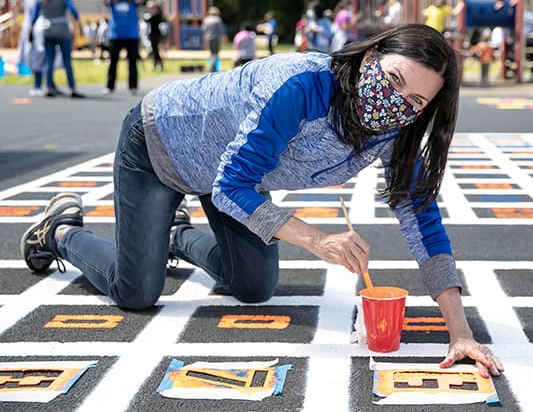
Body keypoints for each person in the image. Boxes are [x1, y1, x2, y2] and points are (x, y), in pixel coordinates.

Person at [20, 24, 504, 379]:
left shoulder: (395, 132)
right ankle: (60, 232)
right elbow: (234, 188)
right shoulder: (300, 84)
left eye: (416, 102)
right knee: (136, 293)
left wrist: (459, 331)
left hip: (230, 174)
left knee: (253, 286)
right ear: (371, 55)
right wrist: (319, 242)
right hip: (159, 146)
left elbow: (423, 221)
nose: (397, 103)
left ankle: (176, 234)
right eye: (394, 79)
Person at [30, 0, 85, 98]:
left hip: (47, 30)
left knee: (49, 60)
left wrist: (31, 31)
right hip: (63, 30)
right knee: (67, 61)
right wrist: (80, 27)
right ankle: (72, 88)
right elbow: (74, 13)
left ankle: (49, 87)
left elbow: (34, 16)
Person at [100, 0, 144, 95]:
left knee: (132, 63)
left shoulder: (132, 0)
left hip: (131, 36)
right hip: (115, 36)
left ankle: (133, 86)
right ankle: (110, 86)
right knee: (113, 62)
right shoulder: (113, 1)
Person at [18, 0, 43, 96]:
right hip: (35, 27)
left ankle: (38, 84)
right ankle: (39, 84)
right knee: (38, 55)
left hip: (32, 27)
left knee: (34, 54)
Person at [203, 7, 226, 72]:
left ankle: (211, 65)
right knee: (216, 53)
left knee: (211, 53)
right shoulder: (218, 19)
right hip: (216, 38)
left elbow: (204, 30)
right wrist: (223, 38)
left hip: (208, 38)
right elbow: (221, 30)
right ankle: (213, 66)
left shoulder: (206, 20)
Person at [143, 1, 164, 71]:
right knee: (155, 51)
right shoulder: (154, 15)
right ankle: (157, 64)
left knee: (155, 51)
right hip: (153, 35)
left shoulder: (157, 15)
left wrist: (145, 17)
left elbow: (148, 20)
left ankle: (157, 64)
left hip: (155, 35)